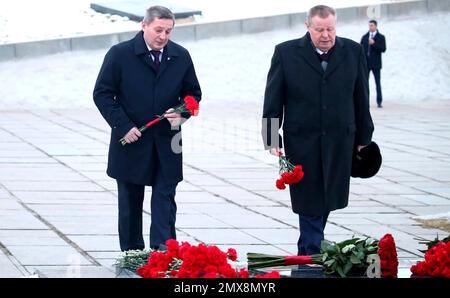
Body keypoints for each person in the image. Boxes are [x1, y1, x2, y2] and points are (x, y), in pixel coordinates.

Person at [262, 5, 374, 256]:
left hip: (340, 139)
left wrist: (364, 137)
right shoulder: (286, 52)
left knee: (327, 198)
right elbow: (272, 99)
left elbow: (361, 97)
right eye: (319, 29)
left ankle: (310, 249)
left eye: (330, 29)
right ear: (307, 27)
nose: (326, 35)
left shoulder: (353, 51)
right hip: (301, 140)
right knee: (309, 197)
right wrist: (271, 138)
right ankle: (311, 253)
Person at [93, 6, 201, 251]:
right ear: (144, 25)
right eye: (158, 30)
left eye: (168, 31)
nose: (163, 36)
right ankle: (131, 253)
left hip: (169, 140)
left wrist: (181, 113)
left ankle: (163, 252)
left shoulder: (180, 55)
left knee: (165, 197)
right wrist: (123, 126)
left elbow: (193, 94)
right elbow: (102, 94)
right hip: (132, 140)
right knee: (130, 200)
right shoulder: (120, 54)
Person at [360, 20, 386, 108]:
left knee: (377, 83)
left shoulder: (381, 37)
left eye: (372, 25)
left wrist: (374, 44)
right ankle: (365, 101)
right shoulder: (364, 37)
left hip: (376, 64)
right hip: (366, 64)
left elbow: (383, 49)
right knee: (364, 83)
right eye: (369, 25)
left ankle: (379, 101)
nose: (370, 27)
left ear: (376, 26)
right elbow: (361, 49)